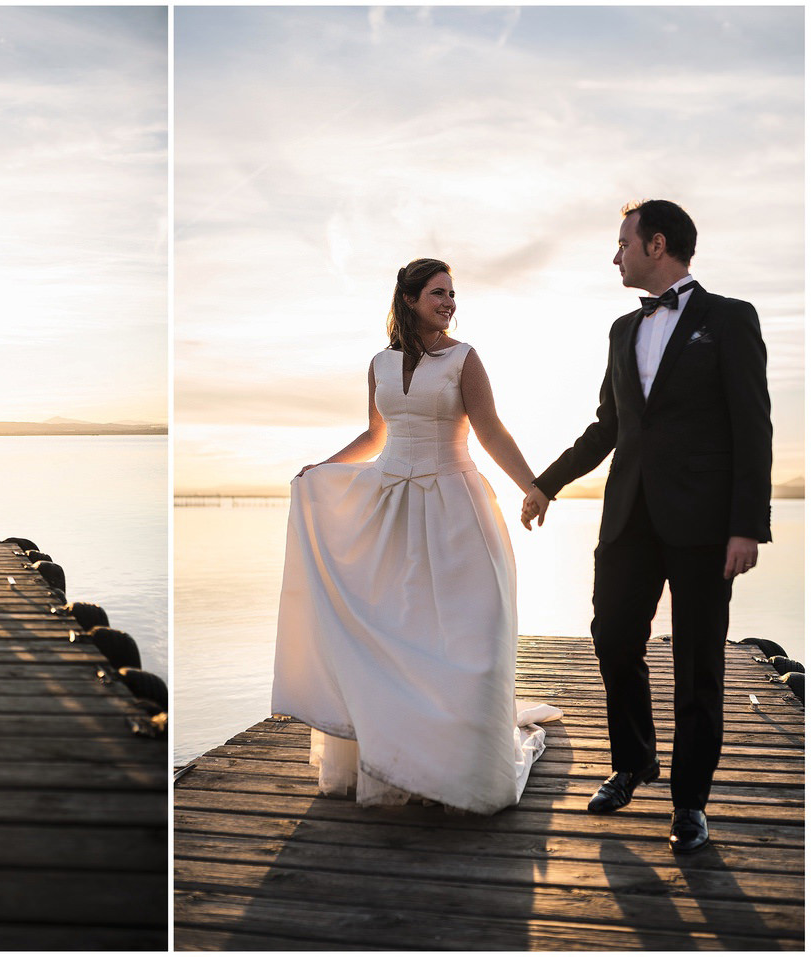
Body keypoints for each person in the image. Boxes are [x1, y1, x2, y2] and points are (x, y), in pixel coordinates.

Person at [522, 200, 772, 854]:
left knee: (697, 663)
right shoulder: (620, 331)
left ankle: (689, 802)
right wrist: (545, 482)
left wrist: (747, 525)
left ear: (656, 244)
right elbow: (609, 427)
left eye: (622, 242)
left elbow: (753, 427)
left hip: (705, 524)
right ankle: (633, 761)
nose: (616, 255)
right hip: (629, 514)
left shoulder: (731, 319)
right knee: (612, 637)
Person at [272, 258, 560, 815]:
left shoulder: (464, 358)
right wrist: (322, 468)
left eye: (453, 294)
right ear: (408, 298)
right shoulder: (379, 363)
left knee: (473, 627)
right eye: (438, 293)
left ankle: (464, 759)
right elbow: (376, 433)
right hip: (391, 503)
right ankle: (402, 755)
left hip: (455, 504)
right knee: (398, 626)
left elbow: (490, 428)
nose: (449, 303)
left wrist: (534, 486)